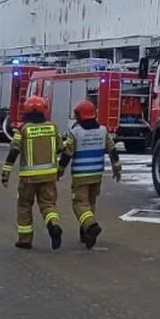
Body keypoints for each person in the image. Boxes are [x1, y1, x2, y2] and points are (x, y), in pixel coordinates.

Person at [57, 99, 122, 249]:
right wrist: (117, 169)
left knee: (79, 204)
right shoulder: (103, 131)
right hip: (96, 175)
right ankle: (86, 234)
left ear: (80, 116)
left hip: (81, 176)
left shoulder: (75, 133)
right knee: (90, 204)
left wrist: (60, 171)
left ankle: (91, 226)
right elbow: (113, 150)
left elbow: (67, 154)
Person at [0, 95, 63, 250]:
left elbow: (13, 152)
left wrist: (5, 173)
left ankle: (25, 240)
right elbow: (61, 148)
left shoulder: (23, 130)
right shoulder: (52, 128)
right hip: (49, 176)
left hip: (28, 178)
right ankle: (53, 225)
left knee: (24, 205)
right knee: (48, 205)